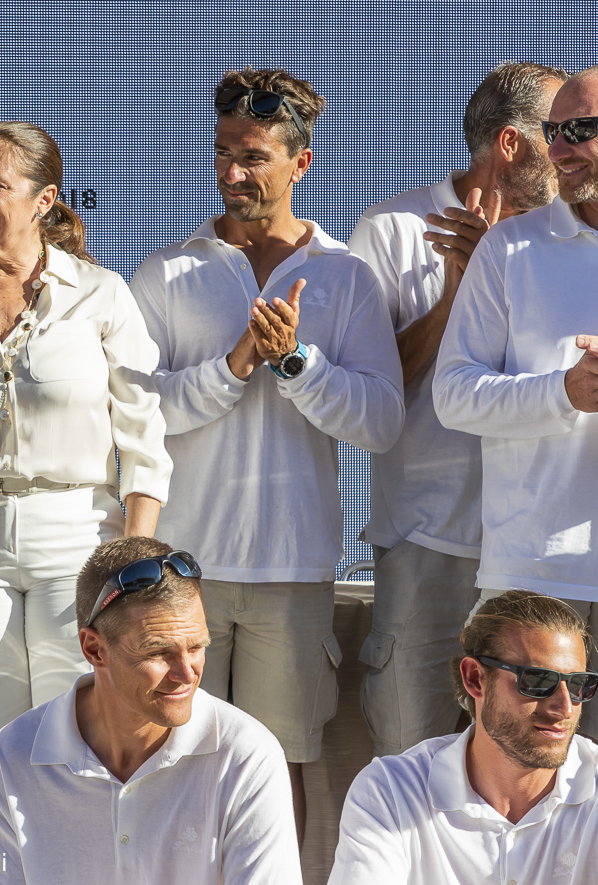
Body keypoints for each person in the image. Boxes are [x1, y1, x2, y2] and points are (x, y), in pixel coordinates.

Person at [130, 67, 404, 842]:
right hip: (181, 574)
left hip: (293, 572)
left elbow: (381, 422)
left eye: (252, 156)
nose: (231, 173)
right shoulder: (166, 271)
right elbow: (134, 411)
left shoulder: (345, 276)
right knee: (172, 768)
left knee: (278, 771)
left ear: (301, 163)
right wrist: (233, 367)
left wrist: (297, 366)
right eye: (222, 153)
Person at [0, 120, 172, 875]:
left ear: (45, 198)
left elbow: (146, 444)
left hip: (79, 541)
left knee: (85, 745)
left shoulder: (102, 293)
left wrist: (131, 565)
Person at [349, 61, 566, 757]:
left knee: (526, 765)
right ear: (511, 144)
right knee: (412, 754)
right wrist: (457, 296)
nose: (569, 150)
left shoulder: (566, 244)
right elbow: (378, 387)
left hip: (534, 548)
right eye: (557, 132)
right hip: (427, 540)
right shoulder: (391, 228)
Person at [434, 62, 598, 742]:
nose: (559, 147)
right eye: (552, 130)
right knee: (517, 778)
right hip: (534, 571)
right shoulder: (509, 249)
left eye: (579, 130)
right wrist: (564, 392)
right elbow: (453, 394)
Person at [0, 537, 301, 885]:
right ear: (94, 649)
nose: (187, 674)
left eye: (197, 647)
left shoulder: (248, 756)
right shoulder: (10, 755)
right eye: (158, 652)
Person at [329, 591, 598, 883]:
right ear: (475, 678)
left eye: (579, 685)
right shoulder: (391, 793)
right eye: (539, 681)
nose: (565, 707)